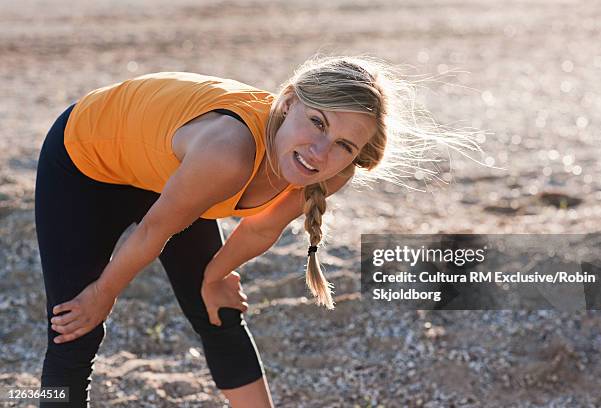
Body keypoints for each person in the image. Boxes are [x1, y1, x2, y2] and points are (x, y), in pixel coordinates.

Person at [34, 55, 479, 407]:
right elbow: (152, 232)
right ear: (288, 104)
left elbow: (259, 228)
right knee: (77, 327)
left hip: (171, 176)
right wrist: (103, 293)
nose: (321, 152)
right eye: (317, 123)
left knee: (218, 311)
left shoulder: (329, 171)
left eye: (344, 144)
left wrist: (214, 277)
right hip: (87, 161)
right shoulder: (229, 154)